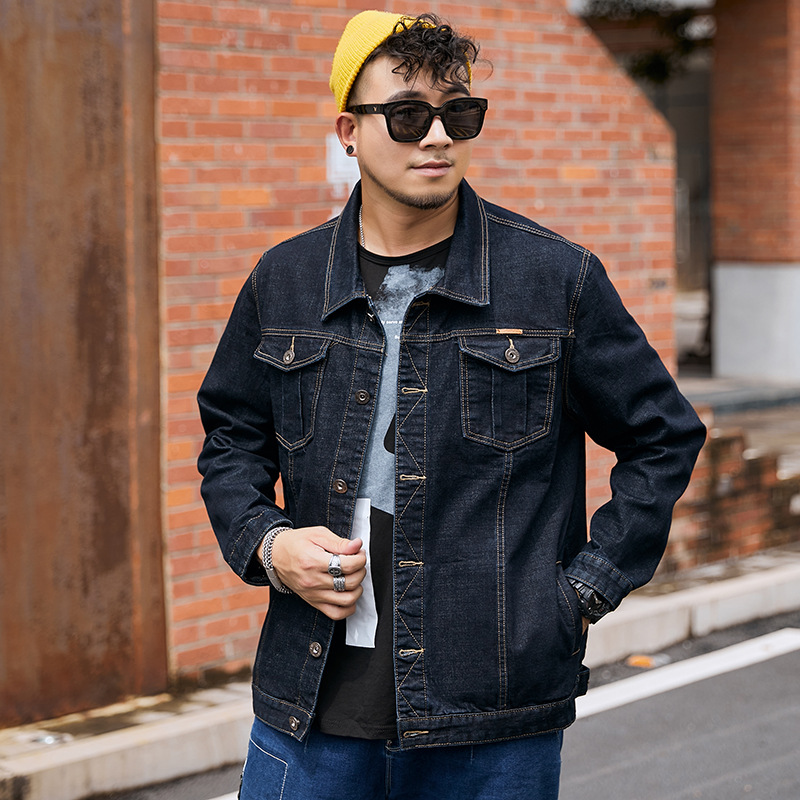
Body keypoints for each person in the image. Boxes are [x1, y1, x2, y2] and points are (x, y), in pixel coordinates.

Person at [197, 11, 706, 799]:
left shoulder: (554, 279)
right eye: (407, 116)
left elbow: (663, 435)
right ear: (349, 131)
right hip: (311, 707)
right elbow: (231, 438)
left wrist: (579, 592)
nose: (436, 137)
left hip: (493, 720)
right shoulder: (285, 281)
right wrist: (269, 545)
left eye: (458, 114)